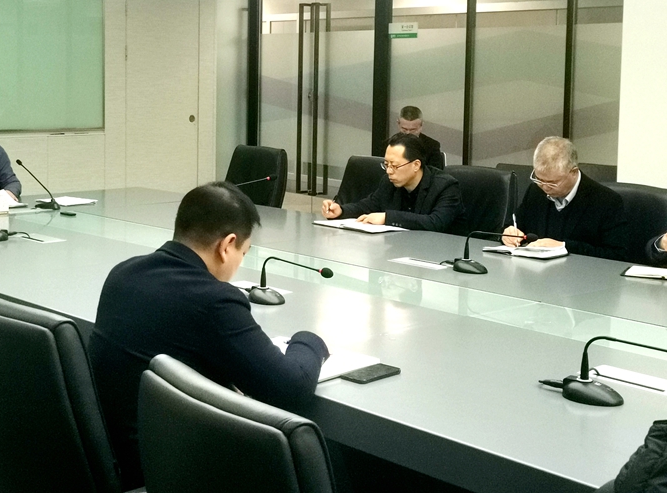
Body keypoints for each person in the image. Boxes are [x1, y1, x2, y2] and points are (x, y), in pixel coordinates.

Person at [88, 181, 330, 490]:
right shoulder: (214, 300)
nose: (240, 262)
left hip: (118, 460)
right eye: (244, 252)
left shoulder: (123, 273)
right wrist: (309, 339)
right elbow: (290, 388)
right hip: (172, 471)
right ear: (227, 245)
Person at [502, 137, 627, 261]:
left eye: (552, 183)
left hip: (579, 271)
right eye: (539, 179)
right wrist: (508, 234)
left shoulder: (606, 201)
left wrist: (564, 247)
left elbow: (616, 255)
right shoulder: (535, 191)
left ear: (573, 172)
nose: (545, 187)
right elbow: (515, 225)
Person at [322, 132, 465, 233]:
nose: (389, 171)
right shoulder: (389, 182)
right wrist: (341, 210)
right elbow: (368, 206)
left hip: (441, 253)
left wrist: (387, 218)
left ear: (416, 165)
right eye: (386, 165)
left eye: (395, 166)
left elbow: (436, 222)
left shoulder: (445, 186)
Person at [396, 105, 445, 170]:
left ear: (421, 126)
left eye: (413, 130)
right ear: (398, 124)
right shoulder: (387, 145)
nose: (408, 133)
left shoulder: (432, 146)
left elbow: (435, 172)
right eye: (404, 129)